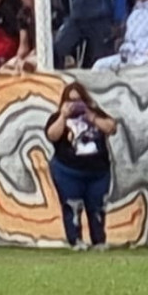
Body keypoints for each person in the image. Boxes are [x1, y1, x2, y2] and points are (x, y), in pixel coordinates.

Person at [45, 81, 116, 248]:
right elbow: (52, 135)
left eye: (78, 100)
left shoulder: (95, 113)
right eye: (70, 100)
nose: (74, 105)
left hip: (98, 172)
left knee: (97, 207)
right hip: (68, 171)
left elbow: (111, 127)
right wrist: (63, 116)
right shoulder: (57, 117)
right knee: (72, 207)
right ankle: (75, 240)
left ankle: (99, 241)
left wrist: (91, 116)